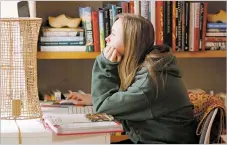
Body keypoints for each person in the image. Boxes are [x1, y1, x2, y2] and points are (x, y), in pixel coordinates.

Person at [67, 13, 198, 144]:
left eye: (113, 34)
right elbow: (127, 100)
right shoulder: (151, 68)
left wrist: (104, 64)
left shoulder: (150, 80)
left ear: (130, 42)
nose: (107, 39)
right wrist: (93, 99)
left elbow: (103, 108)